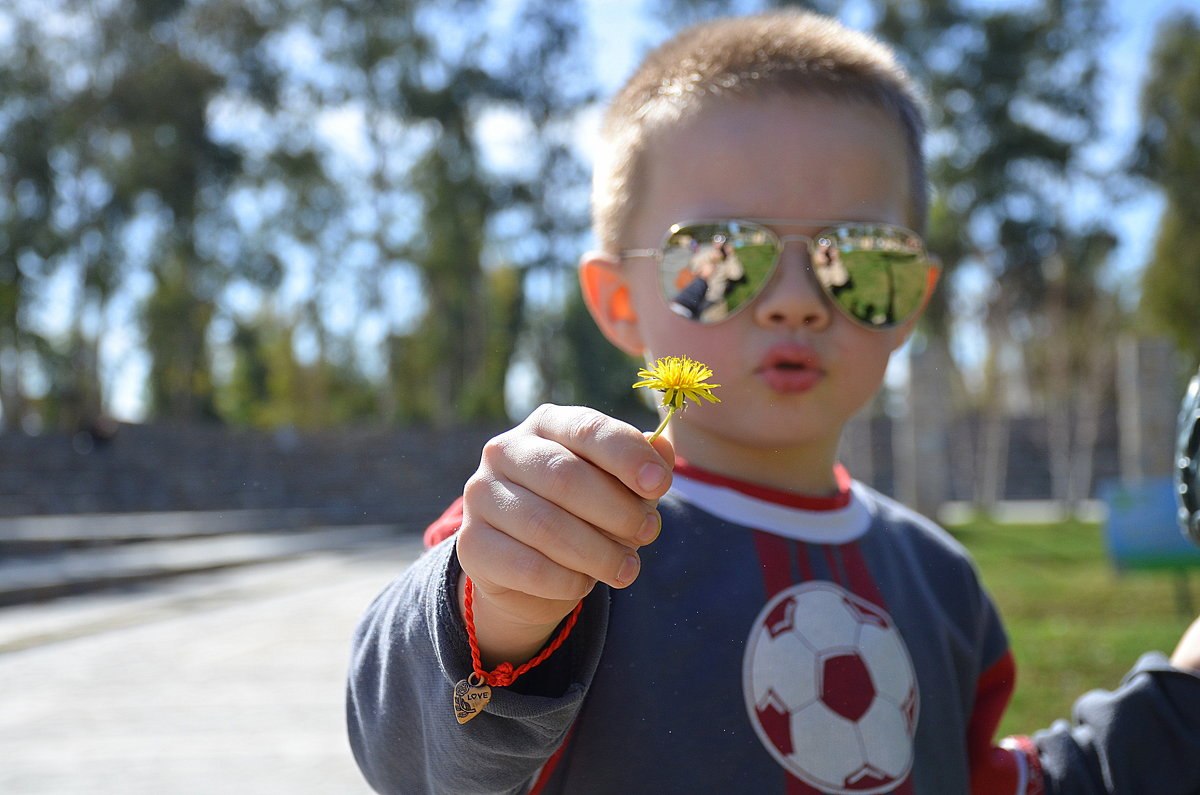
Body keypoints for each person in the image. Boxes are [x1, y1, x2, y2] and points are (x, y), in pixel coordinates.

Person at [347, 11, 1200, 794]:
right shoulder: (567, 531)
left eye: (859, 259)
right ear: (615, 300)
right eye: (721, 255)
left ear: (912, 297)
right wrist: (503, 611)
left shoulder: (942, 581)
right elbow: (417, 757)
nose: (795, 297)